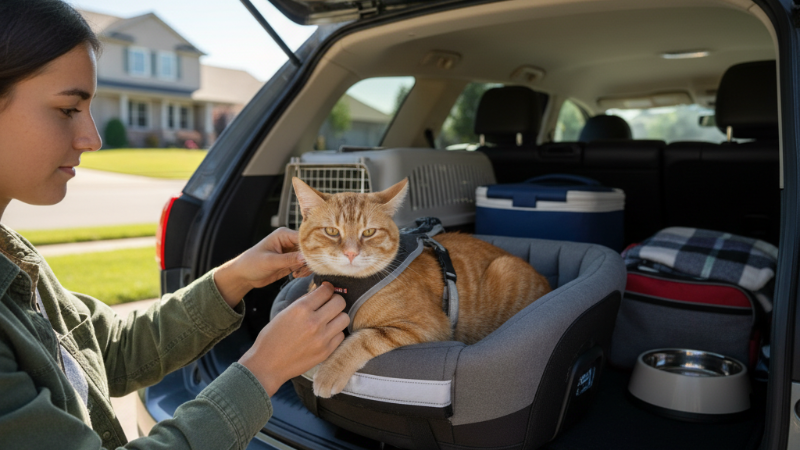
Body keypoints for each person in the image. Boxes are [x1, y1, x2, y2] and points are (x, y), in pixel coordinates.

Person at [0, 1, 349, 448]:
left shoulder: (14, 258)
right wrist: (263, 370)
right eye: (69, 109)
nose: (93, 138)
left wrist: (233, 277)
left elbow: (110, 351)